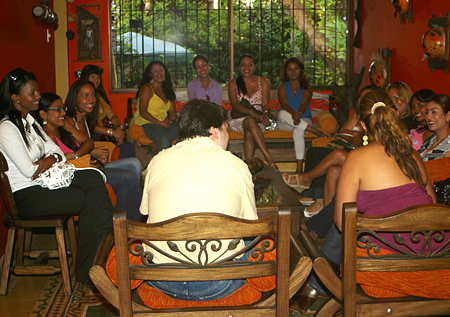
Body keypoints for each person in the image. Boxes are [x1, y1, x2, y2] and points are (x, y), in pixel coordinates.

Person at [307, 90, 436, 297]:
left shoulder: (357, 157)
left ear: (364, 126)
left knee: (340, 225)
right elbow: (432, 203)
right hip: (429, 250)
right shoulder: (411, 153)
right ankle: (317, 285)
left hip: (385, 260)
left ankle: (317, 286)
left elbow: (342, 223)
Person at [0, 68, 113, 283]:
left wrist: (47, 160)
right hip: (27, 195)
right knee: (87, 201)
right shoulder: (7, 128)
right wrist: (46, 160)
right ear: (15, 98)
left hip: (43, 183)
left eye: (37, 91)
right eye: (32, 93)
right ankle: (96, 267)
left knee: (93, 177)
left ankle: (104, 256)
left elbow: (58, 153)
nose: (38, 96)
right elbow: (30, 171)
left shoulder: (30, 123)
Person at [140, 99, 258, 301]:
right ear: (214, 131)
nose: (228, 135)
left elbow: (145, 213)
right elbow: (251, 228)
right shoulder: (237, 166)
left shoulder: (156, 161)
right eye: (226, 129)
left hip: (160, 279)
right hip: (220, 282)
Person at [37, 92, 143, 222]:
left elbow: (88, 142)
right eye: (57, 110)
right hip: (77, 175)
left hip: (88, 167)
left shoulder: (64, 125)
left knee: (133, 167)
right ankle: (123, 225)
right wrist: (82, 160)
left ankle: (132, 222)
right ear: (43, 114)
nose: (63, 113)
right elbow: (58, 166)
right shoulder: (46, 137)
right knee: (128, 177)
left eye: (63, 109)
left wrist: (76, 155)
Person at [63, 79, 142, 184]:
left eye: (93, 95)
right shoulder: (69, 122)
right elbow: (70, 151)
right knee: (128, 176)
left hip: (95, 164)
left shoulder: (85, 120)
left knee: (135, 163)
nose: (91, 100)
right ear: (75, 99)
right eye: (85, 96)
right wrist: (92, 152)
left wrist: (99, 156)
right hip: (83, 169)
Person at [228, 54, 278, 172]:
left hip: (258, 120)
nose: (247, 68)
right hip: (239, 120)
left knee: (250, 133)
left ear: (254, 67)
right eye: (243, 65)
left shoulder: (263, 82)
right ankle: (269, 158)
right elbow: (235, 104)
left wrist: (265, 114)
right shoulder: (234, 83)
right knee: (250, 121)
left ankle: (249, 168)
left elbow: (265, 104)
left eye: (250, 65)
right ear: (239, 67)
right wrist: (251, 112)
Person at [277, 57, 327, 174]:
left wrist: (298, 114)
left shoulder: (307, 86)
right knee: (281, 113)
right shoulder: (282, 87)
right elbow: (284, 104)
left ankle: (299, 168)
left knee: (298, 131)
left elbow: (304, 103)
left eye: (296, 69)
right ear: (286, 72)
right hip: (286, 122)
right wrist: (293, 114)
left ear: (301, 70)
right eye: (290, 69)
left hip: (304, 118)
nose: (293, 72)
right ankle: (313, 130)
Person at [79, 64, 136, 158]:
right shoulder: (82, 98)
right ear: (85, 77)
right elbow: (89, 125)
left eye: (98, 77)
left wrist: (118, 129)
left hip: (104, 133)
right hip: (91, 136)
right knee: (123, 150)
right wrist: (112, 132)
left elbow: (113, 115)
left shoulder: (99, 97)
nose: (96, 80)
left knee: (129, 147)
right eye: (93, 76)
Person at [133, 61, 178, 153]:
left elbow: (172, 110)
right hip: (146, 122)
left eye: (161, 70)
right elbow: (143, 112)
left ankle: (156, 147)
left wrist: (171, 119)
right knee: (163, 139)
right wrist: (161, 123)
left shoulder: (167, 89)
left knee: (185, 130)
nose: (159, 73)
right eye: (155, 71)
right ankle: (159, 165)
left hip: (163, 123)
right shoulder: (147, 88)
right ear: (150, 74)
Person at [418, 94, 450, 161]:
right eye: (427, 112)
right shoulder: (431, 139)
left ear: (447, 115)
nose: (428, 117)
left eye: (434, 112)